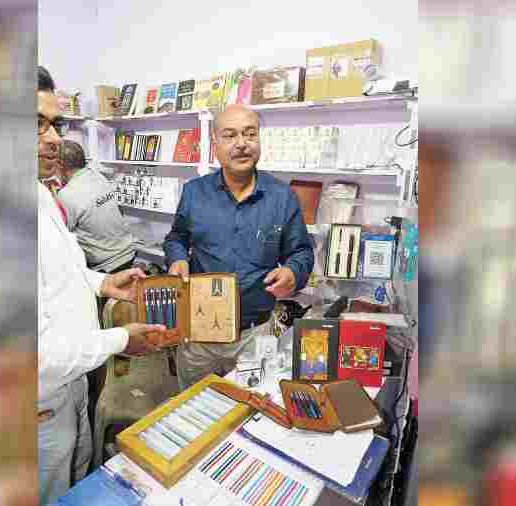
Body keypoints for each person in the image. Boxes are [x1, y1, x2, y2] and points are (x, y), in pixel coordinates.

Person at [37, 65, 164, 505]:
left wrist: (104, 282)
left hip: (70, 387)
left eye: (56, 124)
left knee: (77, 479)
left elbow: (61, 269)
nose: (53, 139)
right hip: (39, 406)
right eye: (36, 124)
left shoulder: (41, 195)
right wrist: (119, 339)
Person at [163, 104, 314, 389]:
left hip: (254, 335)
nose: (242, 144)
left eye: (250, 134)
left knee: (248, 410)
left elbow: (301, 251)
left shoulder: (282, 197)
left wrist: (293, 272)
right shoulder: (194, 193)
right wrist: (178, 258)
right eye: (230, 135)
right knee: (194, 409)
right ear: (215, 145)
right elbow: (176, 238)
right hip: (199, 334)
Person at [56, 139, 139, 274]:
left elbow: (61, 234)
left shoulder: (66, 195)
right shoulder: (98, 176)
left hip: (107, 266)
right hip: (128, 253)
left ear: (60, 166)